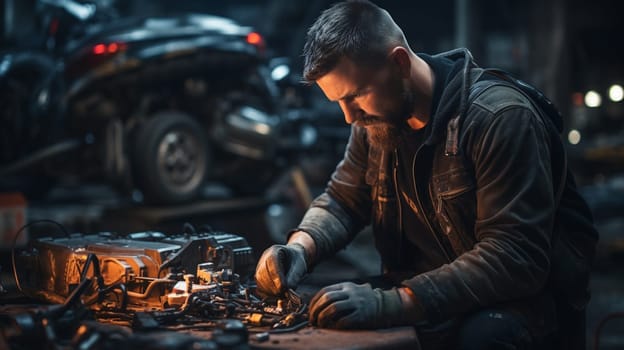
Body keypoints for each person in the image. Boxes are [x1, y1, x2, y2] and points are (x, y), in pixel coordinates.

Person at [254, 1, 598, 349]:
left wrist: (391, 304)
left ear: (399, 62)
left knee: (482, 338)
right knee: (318, 310)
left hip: (518, 305)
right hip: (419, 292)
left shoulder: (500, 119)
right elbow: (343, 201)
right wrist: (299, 248)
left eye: (356, 96)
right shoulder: (376, 123)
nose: (348, 117)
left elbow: (513, 257)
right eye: (339, 102)